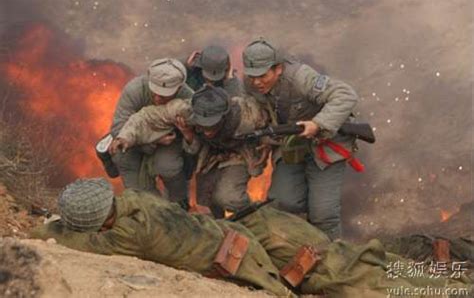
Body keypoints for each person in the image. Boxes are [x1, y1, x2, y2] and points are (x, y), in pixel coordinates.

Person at [30, 178, 471, 297]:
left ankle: (456, 289)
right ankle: (451, 278)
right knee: (358, 257)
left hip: (266, 251)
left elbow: (64, 240)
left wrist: (50, 225)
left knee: (363, 281)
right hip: (262, 228)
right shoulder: (137, 203)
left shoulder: (125, 236)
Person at [243, 38, 361, 240]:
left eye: (262, 76)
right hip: (290, 148)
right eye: (252, 76)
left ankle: (333, 259)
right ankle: (296, 248)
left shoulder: (300, 77)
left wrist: (318, 124)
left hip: (326, 148)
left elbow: (346, 95)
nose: (256, 82)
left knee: (323, 214)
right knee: (281, 202)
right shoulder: (250, 84)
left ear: (278, 68)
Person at [109, 58, 193, 204]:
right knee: (121, 156)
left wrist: (186, 133)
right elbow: (118, 128)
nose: (157, 98)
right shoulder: (134, 90)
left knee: (168, 167)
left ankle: (180, 203)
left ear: (179, 88)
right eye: (154, 92)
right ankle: (150, 205)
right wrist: (152, 140)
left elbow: (198, 136)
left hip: (170, 142)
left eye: (164, 95)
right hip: (135, 142)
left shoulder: (188, 97)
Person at [177, 85, 270, 217]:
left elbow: (269, 123)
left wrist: (266, 143)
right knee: (205, 204)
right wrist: (188, 135)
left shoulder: (248, 116)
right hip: (209, 157)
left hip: (238, 154)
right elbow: (194, 149)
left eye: (212, 125)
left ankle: (254, 218)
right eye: (204, 125)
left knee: (229, 198)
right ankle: (218, 229)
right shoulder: (189, 116)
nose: (207, 131)